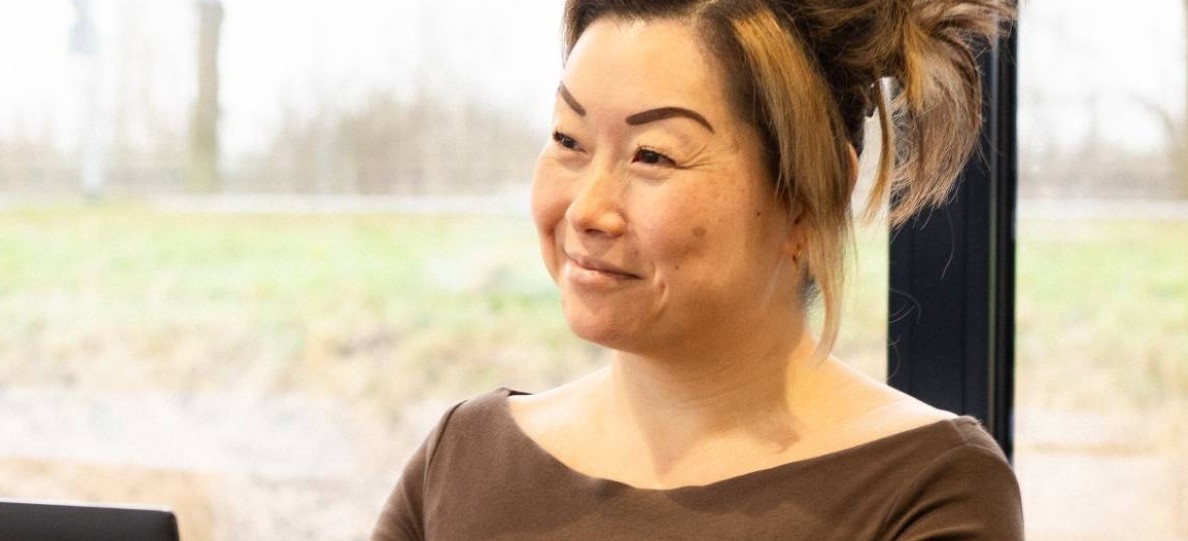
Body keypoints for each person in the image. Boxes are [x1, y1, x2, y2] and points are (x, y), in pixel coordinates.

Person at [371, 0, 1020, 539]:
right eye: (569, 139)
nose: (588, 209)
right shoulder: (463, 460)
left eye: (653, 155)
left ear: (807, 199)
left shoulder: (925, 488)